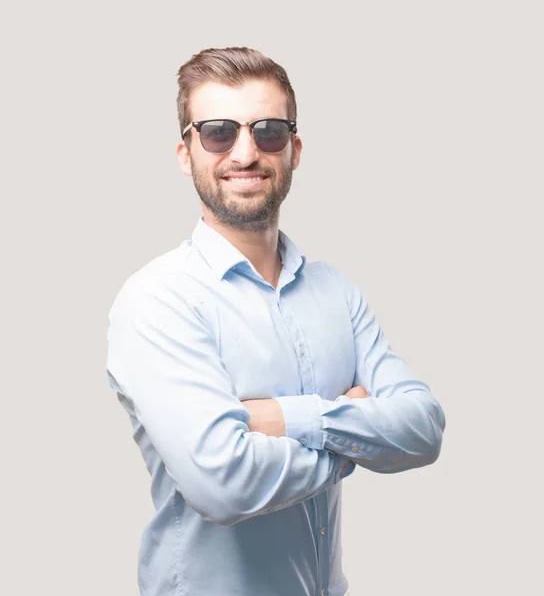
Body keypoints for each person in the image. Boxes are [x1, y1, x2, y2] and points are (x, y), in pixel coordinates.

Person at [106, 46, 446, 596]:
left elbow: (424, 428)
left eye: (267, 131)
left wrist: (281, 419)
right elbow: (223, 483)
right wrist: (353, 435)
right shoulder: (157, 300)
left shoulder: (336, 291)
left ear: (294, 149)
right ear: (184, 152)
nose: (245, 152)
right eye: (218, 132)